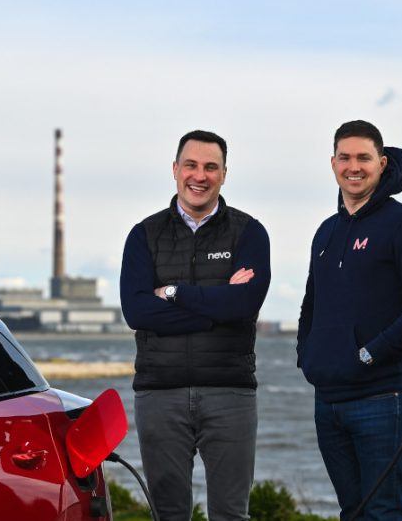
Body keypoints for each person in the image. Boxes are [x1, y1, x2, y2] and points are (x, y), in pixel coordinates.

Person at [297, 120, 402, 520]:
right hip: (328, 401)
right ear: (332, 164)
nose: (354, 166)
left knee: (383, 512)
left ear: (382, 163)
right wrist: (307, 358)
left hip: (383, 398)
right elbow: (312, 304)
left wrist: (369, 354)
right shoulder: (326, 232)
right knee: (353, 512)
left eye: (364, 157)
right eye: (345, 157)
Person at [120, 130, 271, 521]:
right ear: (175, 170)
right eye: (191, 165)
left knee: (230, 514)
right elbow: (137, 312)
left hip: (230, 394)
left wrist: (171, 292)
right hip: (159, 395)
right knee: (168, 514)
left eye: (210, 167)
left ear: (224, 174)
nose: (199, 176)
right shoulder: (143, 235)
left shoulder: (249, 232)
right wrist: (218, 306)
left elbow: (246, 303)